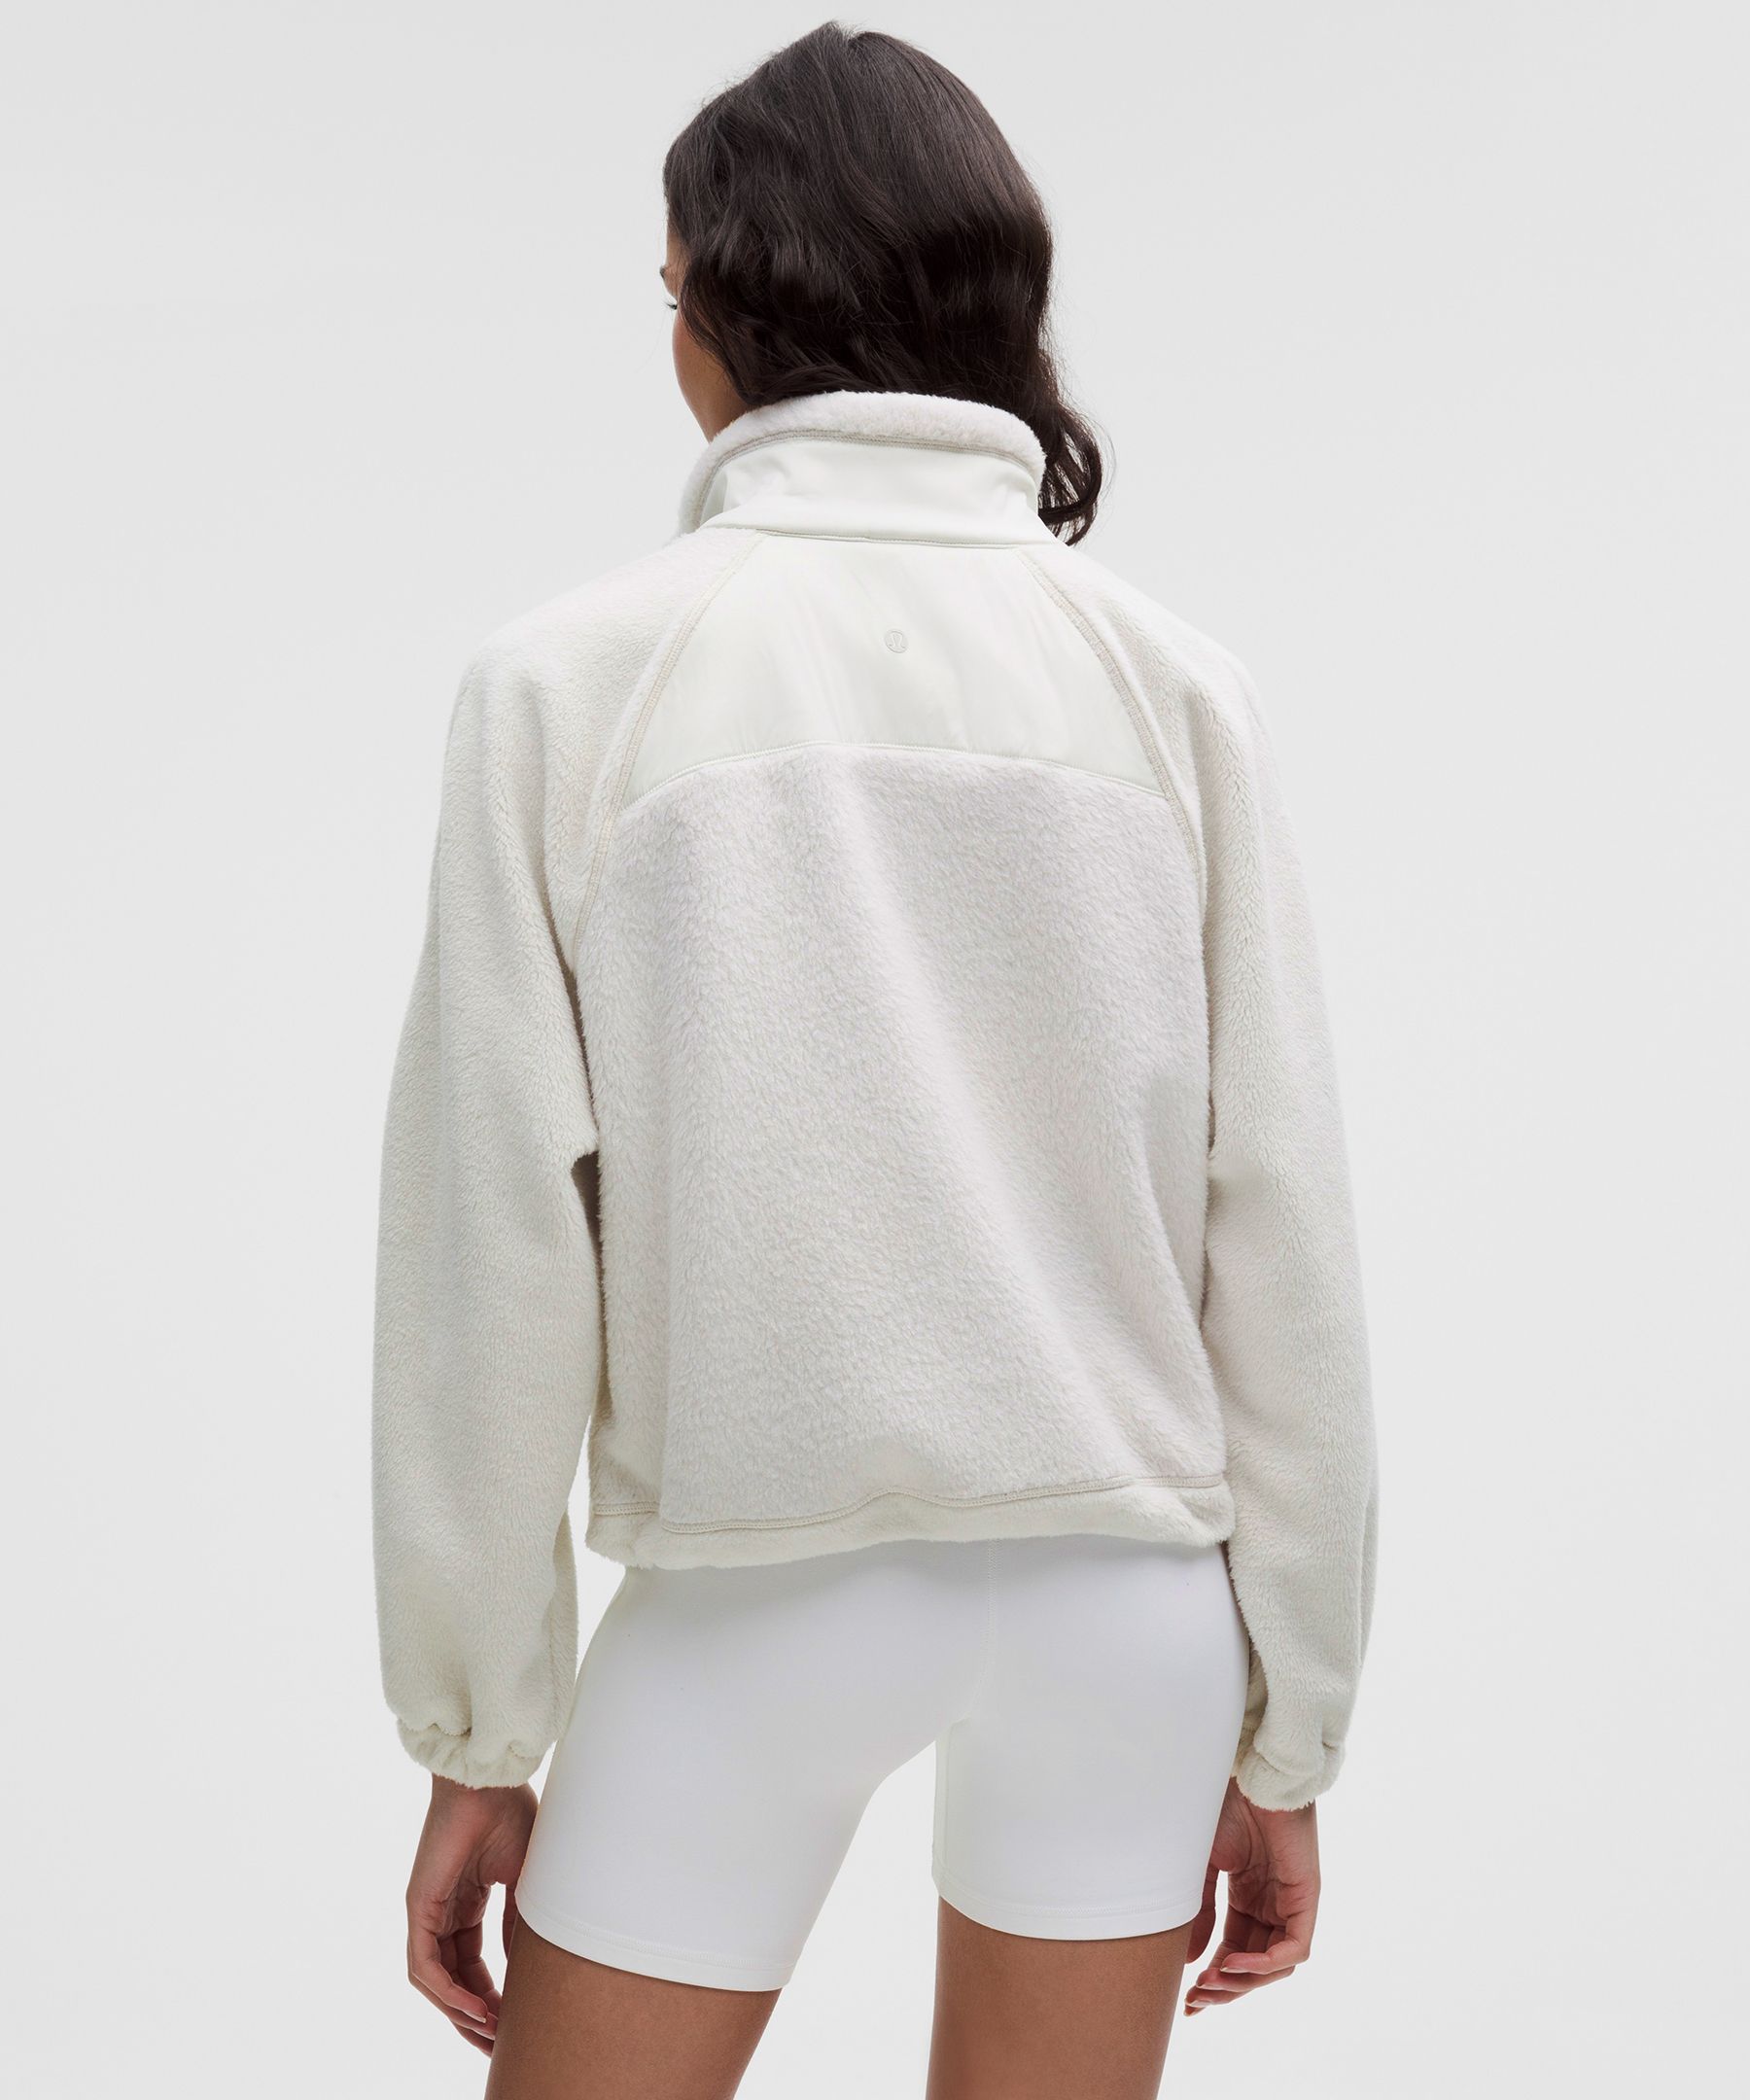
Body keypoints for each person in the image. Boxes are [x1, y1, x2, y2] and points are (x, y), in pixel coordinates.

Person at [371, 22, 1377, 2099]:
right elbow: (1276, 1221)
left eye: (673, 297)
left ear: (735, 314)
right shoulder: (1176, 689)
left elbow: (492, 1241)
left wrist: (481, 1731)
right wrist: (1289, 1726)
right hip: (1129, 1609)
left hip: (757, 1600)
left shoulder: (569, 684)